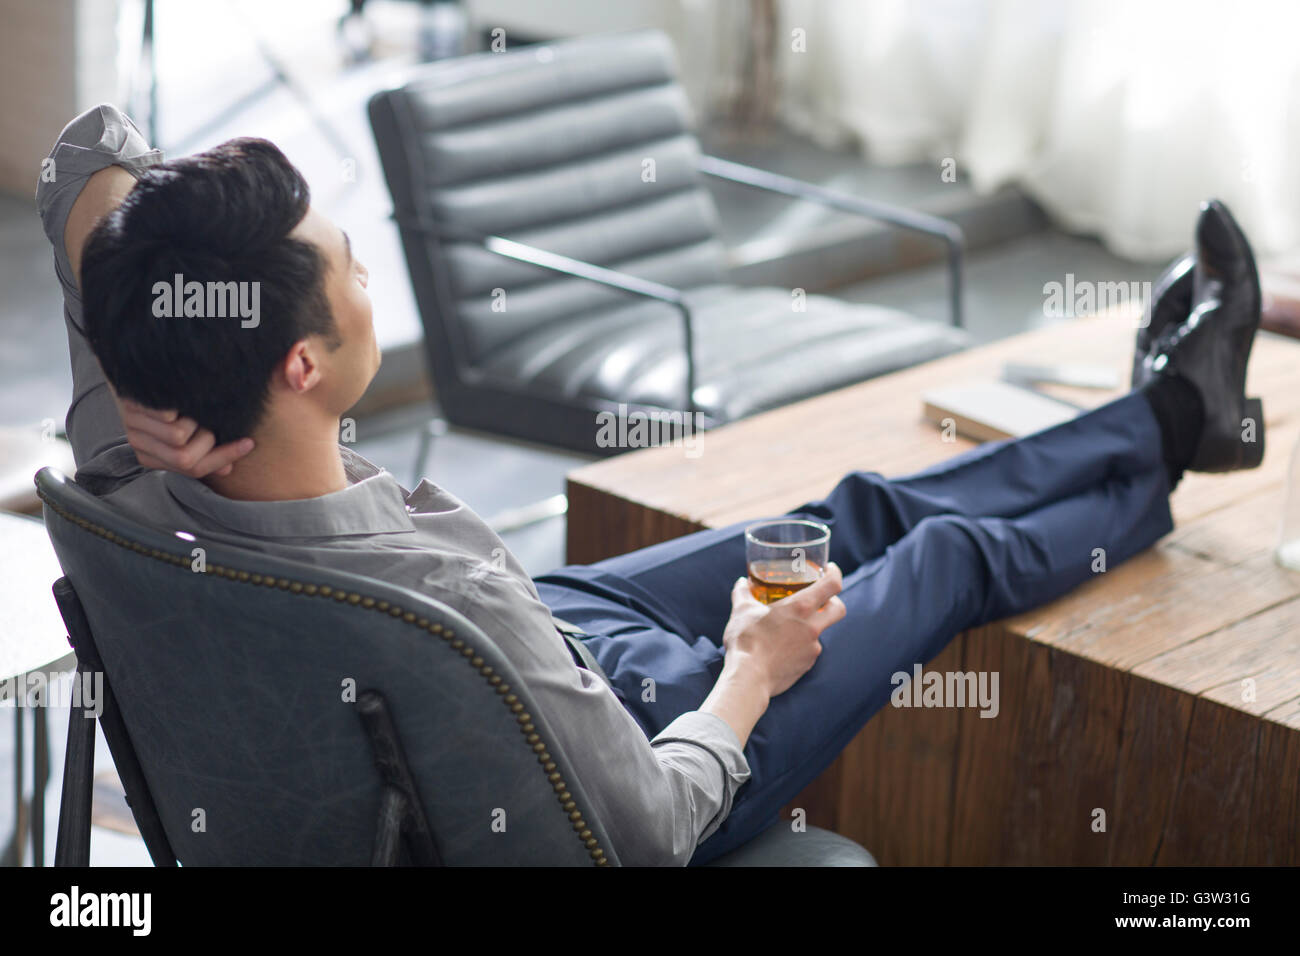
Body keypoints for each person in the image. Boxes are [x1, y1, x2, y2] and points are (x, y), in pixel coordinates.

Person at [36, 104, 1264, 866]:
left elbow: (82, 156)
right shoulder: (434, 616)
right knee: (941, 560)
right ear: (300, 363)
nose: (365, 268)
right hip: (643, 748)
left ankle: (1165, 413)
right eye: (350, 263)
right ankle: (1173, 424)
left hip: (532, 657)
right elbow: (636, 836)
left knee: (853, 511)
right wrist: (751, 672)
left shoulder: (135, 457)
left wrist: (147, 374)